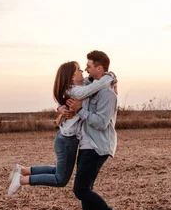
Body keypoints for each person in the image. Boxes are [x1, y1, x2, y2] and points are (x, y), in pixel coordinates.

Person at [7, 61, 117, 196]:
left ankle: (23, 171)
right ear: (71, 76)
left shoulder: (81, 86)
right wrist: (110, 77)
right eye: (78, 70)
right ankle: (22, 180)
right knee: (61, 179)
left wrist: (110, 76)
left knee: (60, 170)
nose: (83, 71)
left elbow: (93, 83)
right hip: (67, 141)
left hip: (66, 138)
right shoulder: (76, 90)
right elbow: (91, 88)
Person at [65, 50, 128, 210]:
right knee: (86, 189)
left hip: (98, 145)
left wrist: (80, 110)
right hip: (87, 143)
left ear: (100, 68)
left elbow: (101, 123)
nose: (86, 69)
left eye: (89, 66)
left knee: (81, 189)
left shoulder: (108, 94)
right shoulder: (93, 87)